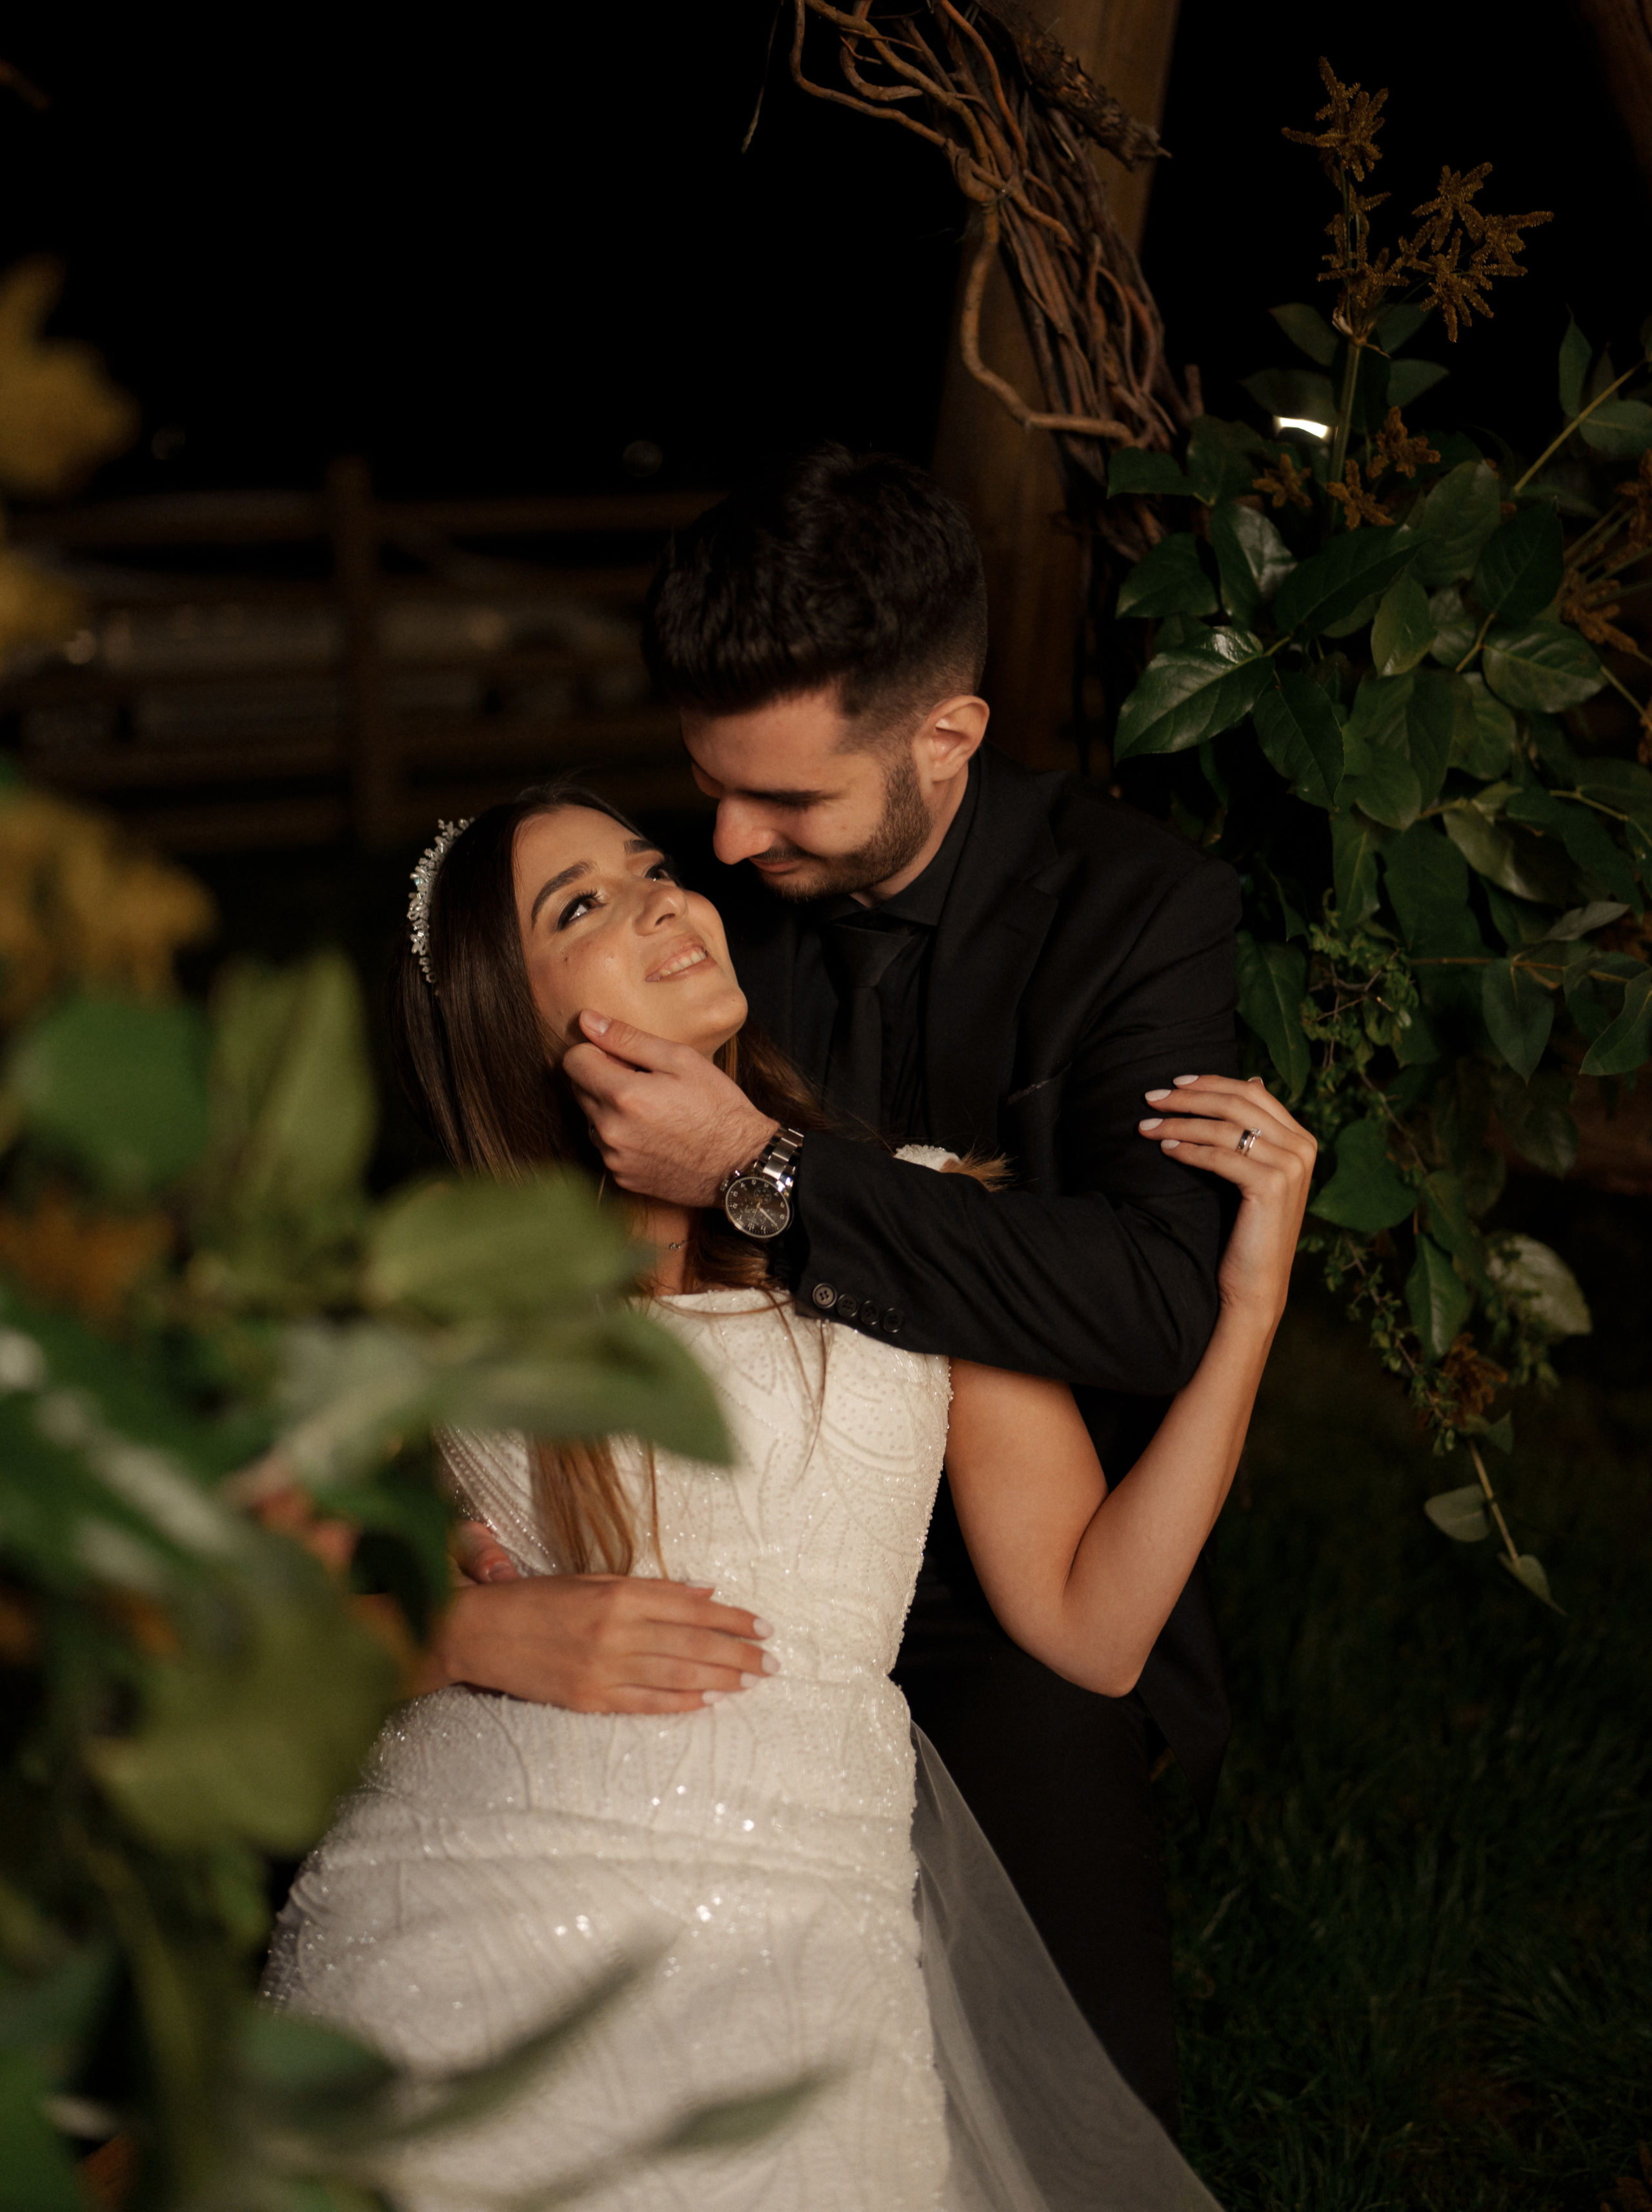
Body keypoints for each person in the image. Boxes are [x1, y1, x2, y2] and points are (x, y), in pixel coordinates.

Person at [267, 781, 1314, 2211]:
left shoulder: (916, 1210)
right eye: (580, 904)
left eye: (650, 869)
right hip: (469, 1877)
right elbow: (239, 1605)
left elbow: (1092, 1625)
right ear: (505, 1015)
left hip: (789, 1914)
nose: (662, 897)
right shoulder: (441, 1286)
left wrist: (1246, 1310)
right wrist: (463, 1638)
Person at [445, 446, 1242, 2132]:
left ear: (942, 739)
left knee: (1066, 2102)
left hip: (995, 1577)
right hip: (676, 1570)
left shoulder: (1137, 916)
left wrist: (762, 1168)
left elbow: (1154, 1297)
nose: (723, 845)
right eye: (704, 791)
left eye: (785, 802)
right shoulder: (714, 913)